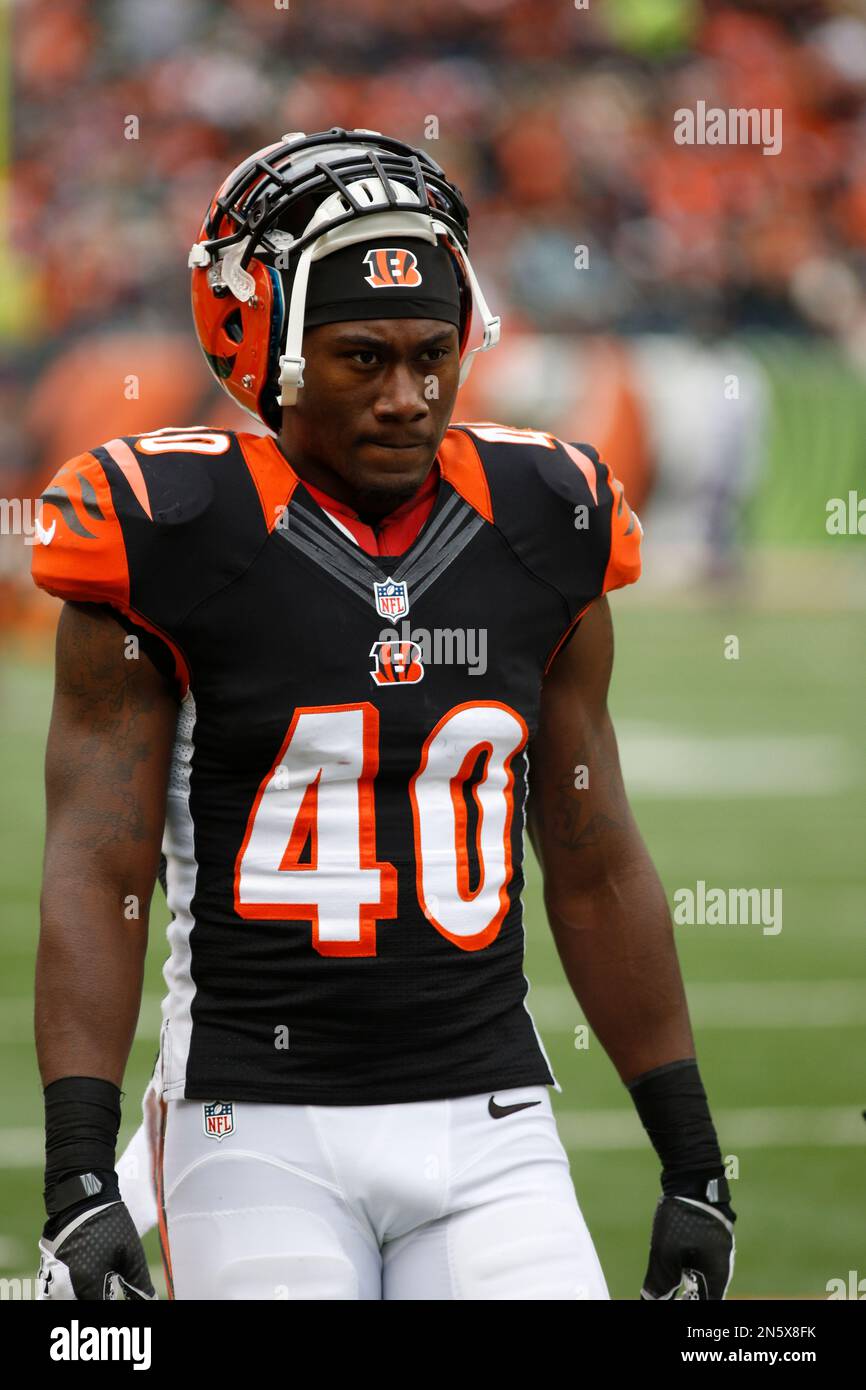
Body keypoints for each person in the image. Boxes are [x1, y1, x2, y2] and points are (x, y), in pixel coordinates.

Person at [31, 128, 735, 1301]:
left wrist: (691, 1159)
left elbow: (595, 858)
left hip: (491, 1121)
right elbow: (98, 865)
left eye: (432, 355)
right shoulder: (168, 527)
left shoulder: (544, 517)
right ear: (265, 343)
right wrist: (76, 1178)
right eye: (363, 357)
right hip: (250, 1122)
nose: (408, 397)